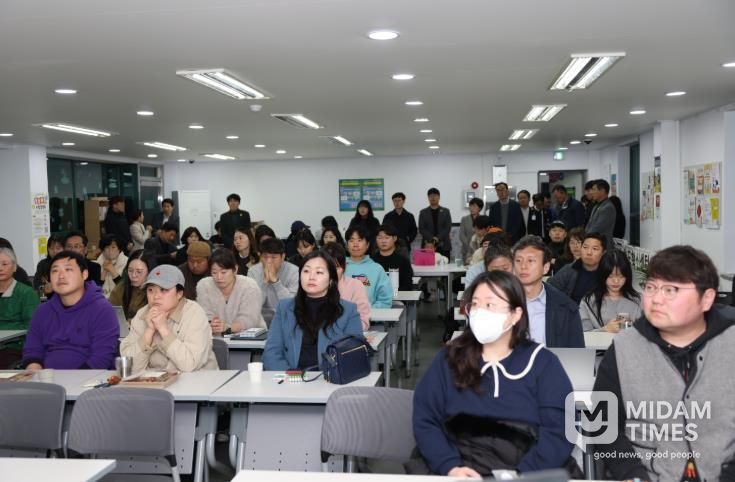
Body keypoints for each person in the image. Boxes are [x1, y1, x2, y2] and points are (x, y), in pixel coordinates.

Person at [412, 271, 577, 477]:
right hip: (458, 467)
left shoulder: (543, 363)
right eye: (475, 304)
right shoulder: (450, 358)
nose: (480, 312)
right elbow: (425, 418)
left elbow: (560, 430)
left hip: (527, 470)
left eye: (490, 305)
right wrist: (449, 467)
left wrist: (523, 475)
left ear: (515, 314)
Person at [593, 246, 735, 481]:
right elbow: (602, 425)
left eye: (670, 290)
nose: (656, 299)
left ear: (707, 298)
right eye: (651, 287)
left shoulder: (729, 345)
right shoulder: (625, 348)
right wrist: (632, 475)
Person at [263, 250, 364, 371]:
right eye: (306, 271)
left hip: (330, 378)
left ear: (331, 280)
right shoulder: (284, 308)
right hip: (290, 378)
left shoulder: (348, 311)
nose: (311, 277)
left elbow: (354, 355)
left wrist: (329, 377)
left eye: (319, 272)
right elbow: (271, 353)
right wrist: (291, 375)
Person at [22, 251, 119, 370]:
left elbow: (101, 357)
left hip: (90, 378)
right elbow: (32, 351)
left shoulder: (102, 309)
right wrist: (36, 375)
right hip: (47, 378)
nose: (61, 276)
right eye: (55, 271)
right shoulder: (42, 311)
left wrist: (74, 379)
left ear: (84, 274)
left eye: (68, 269)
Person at [120, 264, 218, 372]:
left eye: (163, 290)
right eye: (150, 290)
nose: (156, 296)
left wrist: (163, 329)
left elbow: (189, 365)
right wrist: (149, 331)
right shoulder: (142, 314)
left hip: (198, 380)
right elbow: (129, 367)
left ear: (179, 294)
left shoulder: (194, 313)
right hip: (155, 381)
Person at [512, 236, 584, 347]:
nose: (523, 266)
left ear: (545, 268)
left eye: (530, 260)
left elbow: (575, 353)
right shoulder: (498, 302)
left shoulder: (566, 307)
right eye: (518, 261)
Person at [196, 249, 266, 336]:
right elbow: (205, 315)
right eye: (214, 272)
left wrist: (228, 327)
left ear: (235, 269)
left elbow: (249, 319)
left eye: (223, 272)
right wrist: (212, 324)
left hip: (251, 338)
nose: (219, 277)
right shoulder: (204, 286)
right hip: (216, 338)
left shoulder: (250, 286)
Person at [579, 250, 641, 332]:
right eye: (610, 276)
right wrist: (605, 329)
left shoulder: (637, 300)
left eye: (621, 276)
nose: (616, 281)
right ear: (602, 275)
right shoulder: (589, 301)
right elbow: (583, 334)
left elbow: (648, 332)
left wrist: (632, 328)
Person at [0, 248, 40, 368]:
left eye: (4, 264)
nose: (0, 268)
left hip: (14, 347)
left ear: (14, 267)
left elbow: (32, 326)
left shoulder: (26, 293)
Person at [247, 238, 299, 325]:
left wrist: (276, 282)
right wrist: (264, 283)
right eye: (265, 257)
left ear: (283, 257)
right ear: (260, 256)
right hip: (261, 321)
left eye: (273, 257)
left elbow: (291, 304)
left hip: (286, 319)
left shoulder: (294, 271)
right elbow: (253, 305)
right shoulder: (253, 272)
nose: (269, 261)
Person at [322, 242, 371, 330]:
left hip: (347, 335)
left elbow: (363, 320)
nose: (332, 272)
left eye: (336, 267)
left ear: (344, 266)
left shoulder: (356, 286)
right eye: (328, 268)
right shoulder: (313, 286)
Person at [548, 232, 607, 304]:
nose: (589, 252)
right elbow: (550, 289)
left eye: (595, 249)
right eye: (585, 247)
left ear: (603, 252)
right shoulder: (570, 269)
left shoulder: (608, 273)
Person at [344, 225, 393, 308]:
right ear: (347, 245)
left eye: (359, 240)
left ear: (367, 244)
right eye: (351, 240)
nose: (355, 244)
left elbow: (385, 301)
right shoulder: (338, 267)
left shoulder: (377, 269)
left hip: (370, 314)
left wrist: (368, 311)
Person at [110, 249, 157, 320]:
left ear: (150, 271)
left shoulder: (157, 291)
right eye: (130, 270)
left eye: (139, 272)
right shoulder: (121, 287)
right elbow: (111, 311)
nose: (133, 275)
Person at [372, 224, 414, 291]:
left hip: (397, 296)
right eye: (380, 238)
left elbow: (407, 286)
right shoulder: (371, 261)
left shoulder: (403, 262)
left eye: (387, 237)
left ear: (394, 238)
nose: (383, 241)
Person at [418, 187, 452, 259]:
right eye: (431, 196)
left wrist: (438, 238)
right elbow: (421, 228)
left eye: (435, 195)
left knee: (445, 264)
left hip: (444, 244)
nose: (433, 198)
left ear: (439, 197)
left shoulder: (446, 211)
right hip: (428, 245)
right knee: (428, 265)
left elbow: (447, 227)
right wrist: (432, 238)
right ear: (428, 198)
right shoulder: (423, 212)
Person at [95, 234, 128, 298]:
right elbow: (96, 289)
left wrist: (112, 270)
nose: (110, 251)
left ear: (119, 249)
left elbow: (125, 289)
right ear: (103, 249)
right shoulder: (98, 263)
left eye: (113, 247)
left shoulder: (127, 263)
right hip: (101, 299)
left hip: (119, 299)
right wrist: (104, 272)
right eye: (107, 247)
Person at [585, 179, 616, 245]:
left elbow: (597, 228)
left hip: (602, 245)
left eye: (594, 189)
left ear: (602, 191)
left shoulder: (608, 207)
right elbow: (589, 224)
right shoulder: (596, 205)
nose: (592, 192)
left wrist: (584, 237)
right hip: (592, 242)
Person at [459, 197, 484, 263]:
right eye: (470, 206)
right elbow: (461, 235)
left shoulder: (483, 219)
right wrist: (469, 245)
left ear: (480, 208)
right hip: (467, 249)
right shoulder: (464, 219)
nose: (471, 208)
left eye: (474, 206)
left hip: (480, 250)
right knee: (466, 267)